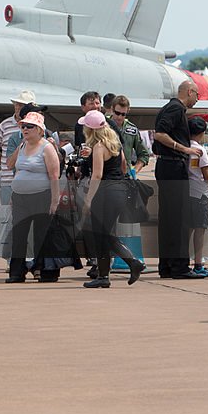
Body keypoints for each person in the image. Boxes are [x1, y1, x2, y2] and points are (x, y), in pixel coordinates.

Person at [80, 110, 146, 288]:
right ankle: (103, 276)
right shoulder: (115, 143)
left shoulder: (99, 147)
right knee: (103, 234)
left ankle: (132, 262)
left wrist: (88, 199)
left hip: (105, 192)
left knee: (102, 234)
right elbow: (124, 166)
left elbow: (97, 175)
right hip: (119, 189)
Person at [152, 81, 206, 279]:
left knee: (169, 219)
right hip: (173, 166)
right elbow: (159, 134)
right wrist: (184, 149)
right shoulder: (176, 109)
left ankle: (167, 266)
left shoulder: (171, 108)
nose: (198, 98)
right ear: (189, 92)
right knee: (180, 218)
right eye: (197, 94)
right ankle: (179, 267)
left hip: (167, 166)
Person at [5, 111, 61, 283]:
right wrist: (20, 146)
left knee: (41, 234)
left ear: (39, 129)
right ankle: (17, 271)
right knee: (19, 234)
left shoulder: (47, 147)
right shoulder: (22, 146)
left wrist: (54, 200)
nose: (25, 129)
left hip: (41, 196)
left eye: (29, 126)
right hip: (21, 196)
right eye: (23, 126)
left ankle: (44, 270)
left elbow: (54, 175)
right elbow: (11, 165)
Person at [186, 117, 208, 277]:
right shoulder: (200, 151)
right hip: (200, 193)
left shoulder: (185, 148)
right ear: (202, 133)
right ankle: (198, 262)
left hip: (188, 192)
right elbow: (206, 173)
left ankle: (183, 259)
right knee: (200, 229)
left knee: (188, 228)